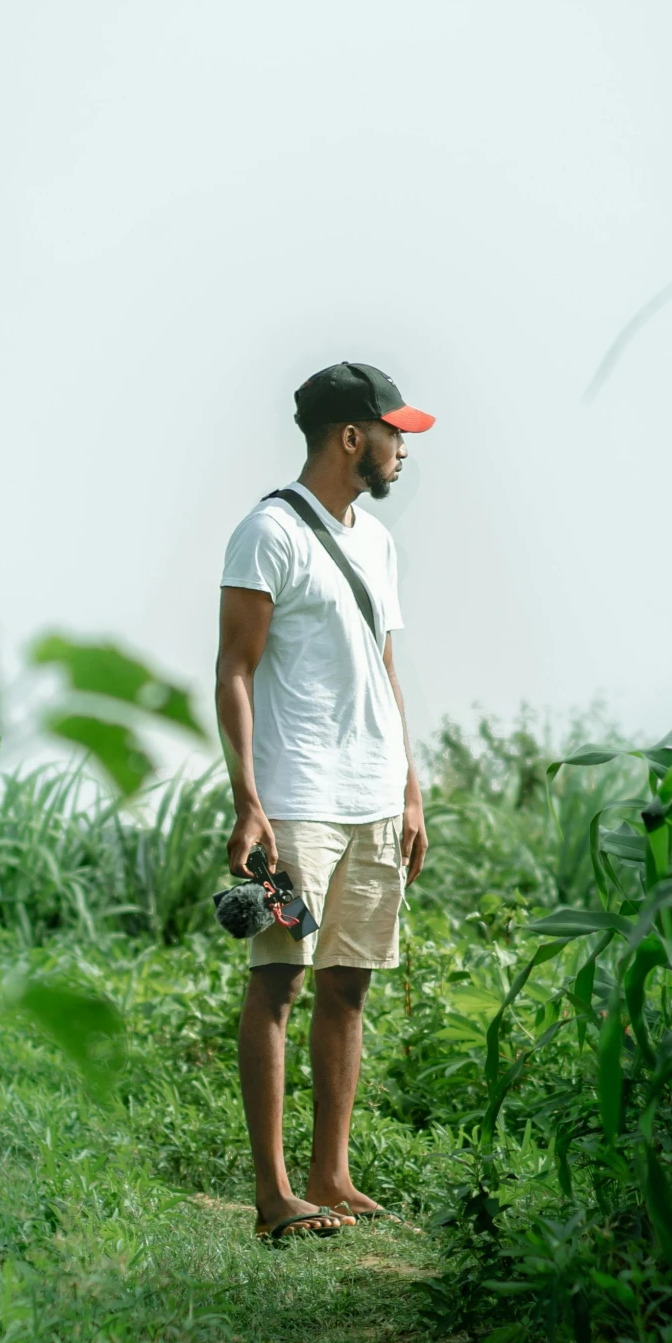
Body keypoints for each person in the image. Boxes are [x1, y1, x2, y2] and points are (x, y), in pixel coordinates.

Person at [216, 361, 435, 1239]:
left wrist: (411, 788)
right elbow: (235, 667)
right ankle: (274, 1198)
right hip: (298, 792)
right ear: (354, 437)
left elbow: (385, 671)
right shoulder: (267, 532)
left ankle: (331, 1175)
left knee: (349, 984)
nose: (402, 449)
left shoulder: (378, 545)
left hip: (374, 796)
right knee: (281, 980)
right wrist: (248, 799)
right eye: (394, 432)